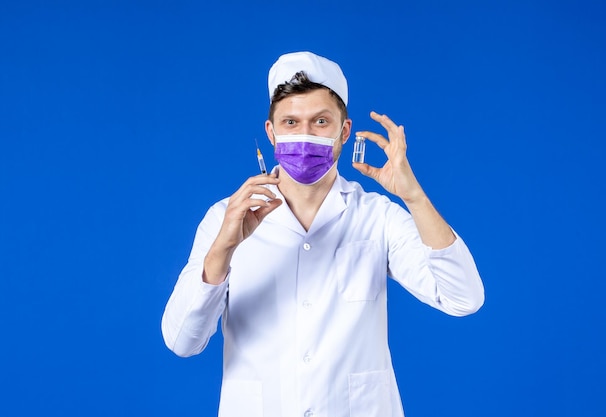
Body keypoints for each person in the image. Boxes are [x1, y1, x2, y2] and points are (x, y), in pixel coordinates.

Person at [162, 51, 484, 417]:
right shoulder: (225, 218)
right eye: (290, 122)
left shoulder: (375, 216)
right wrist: (223, 248)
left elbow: (463, 298)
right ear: (271, 132)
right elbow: (182, 341)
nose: (304, 135)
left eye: (319, 121)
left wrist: (413, 196)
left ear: (343, 131)